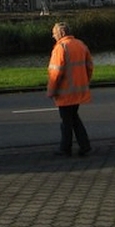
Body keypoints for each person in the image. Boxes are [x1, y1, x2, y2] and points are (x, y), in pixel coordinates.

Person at [47, 21, 94, 157]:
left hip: (65, 92)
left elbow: (55, 73)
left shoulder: (60, 48)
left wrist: (51, 90)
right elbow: (89, 67)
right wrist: (85, 81)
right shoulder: (81, 45)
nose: (53, 36)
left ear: (61, 33)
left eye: (54, 33)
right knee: (73, 118)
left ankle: (65, 148)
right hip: (78, 91)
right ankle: (84, 146)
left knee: (66, 122)